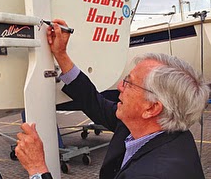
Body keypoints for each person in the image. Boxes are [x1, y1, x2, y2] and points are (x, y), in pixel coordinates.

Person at [15, 19, 210, 179]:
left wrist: (37, 170)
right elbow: (93, 102)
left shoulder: (153, 173)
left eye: (129, 83)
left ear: (152, 108)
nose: (119, 87)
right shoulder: (153, 130)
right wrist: (61, 54)